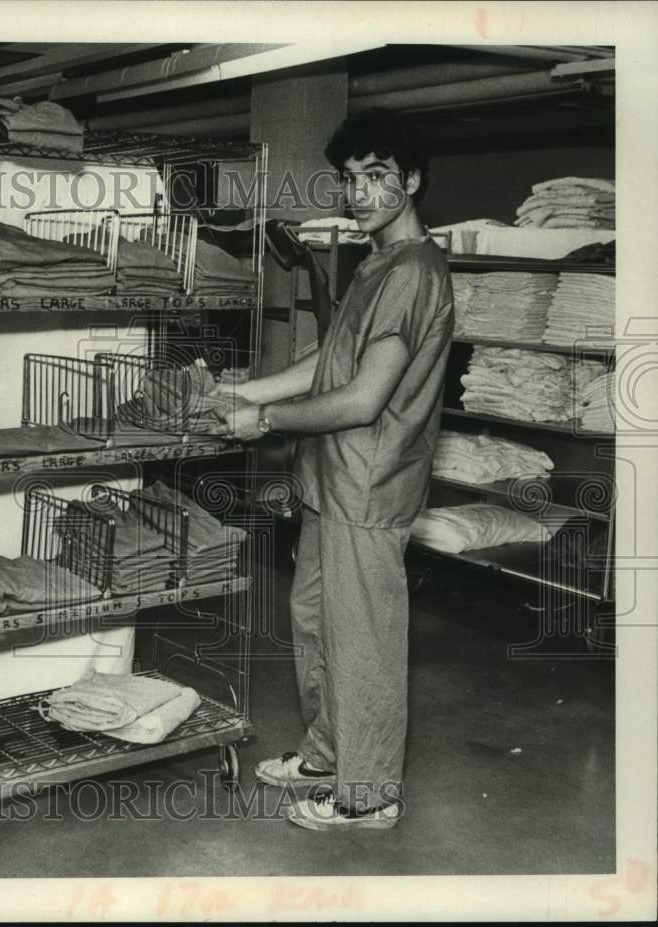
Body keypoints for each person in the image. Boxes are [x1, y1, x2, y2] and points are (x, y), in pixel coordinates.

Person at [211, 108, 455, 830]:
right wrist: (247, 392)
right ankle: (327, 754)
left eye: (378, 176)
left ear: (412, 181)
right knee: (317, 620)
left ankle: (369, 794)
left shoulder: (414, 272)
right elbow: (332, 359)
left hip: (369, 486)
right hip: (332, 480)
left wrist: (266, 420)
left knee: (363, 643)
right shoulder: (377, 263)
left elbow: (362, 396)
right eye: (350, 179)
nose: (360, 193)